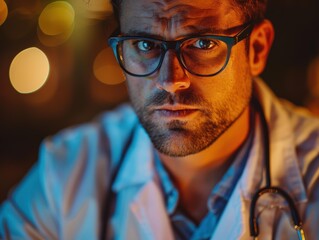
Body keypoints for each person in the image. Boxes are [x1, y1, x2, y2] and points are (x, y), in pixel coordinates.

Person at [1, 0, 319, 239]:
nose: (170, 80)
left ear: (257, 49)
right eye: (145, 44)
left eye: (202, 43)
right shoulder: (65, 172)